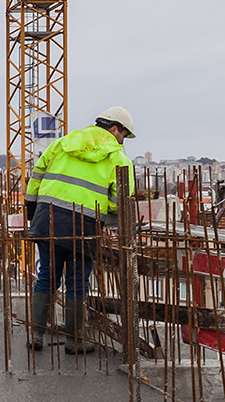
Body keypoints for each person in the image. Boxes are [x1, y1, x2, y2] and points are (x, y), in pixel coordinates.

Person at [24, 106, 136, 354]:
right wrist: (103, 213)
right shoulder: (119, 160)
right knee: (76, 283)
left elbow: (36, 177)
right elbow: (120, 203)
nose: (123, 142)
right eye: (124, 135)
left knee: (46, 277)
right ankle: (74, 341)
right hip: (83, 226)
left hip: (47, 219)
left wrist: (33, 211)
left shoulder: (63, 144)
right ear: (114, 129)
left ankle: (36, 335)